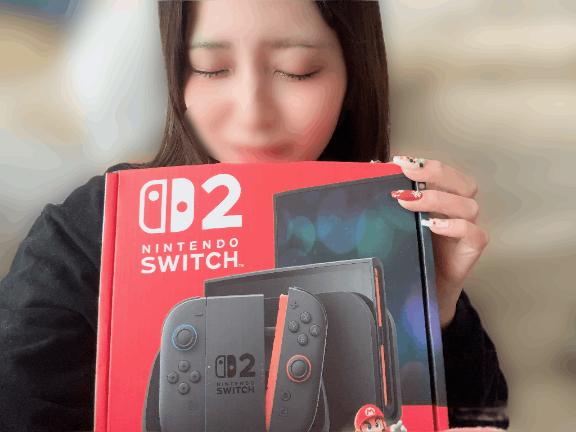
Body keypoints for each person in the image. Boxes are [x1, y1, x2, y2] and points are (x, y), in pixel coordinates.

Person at [0, 1, 508, 431]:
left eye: (297, 70)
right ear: (176, 73)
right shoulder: (88, 233)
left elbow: (483, 418)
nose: (252, 114)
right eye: (211, 68)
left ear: (355, 74)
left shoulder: (395, 229)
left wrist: (434, 307)